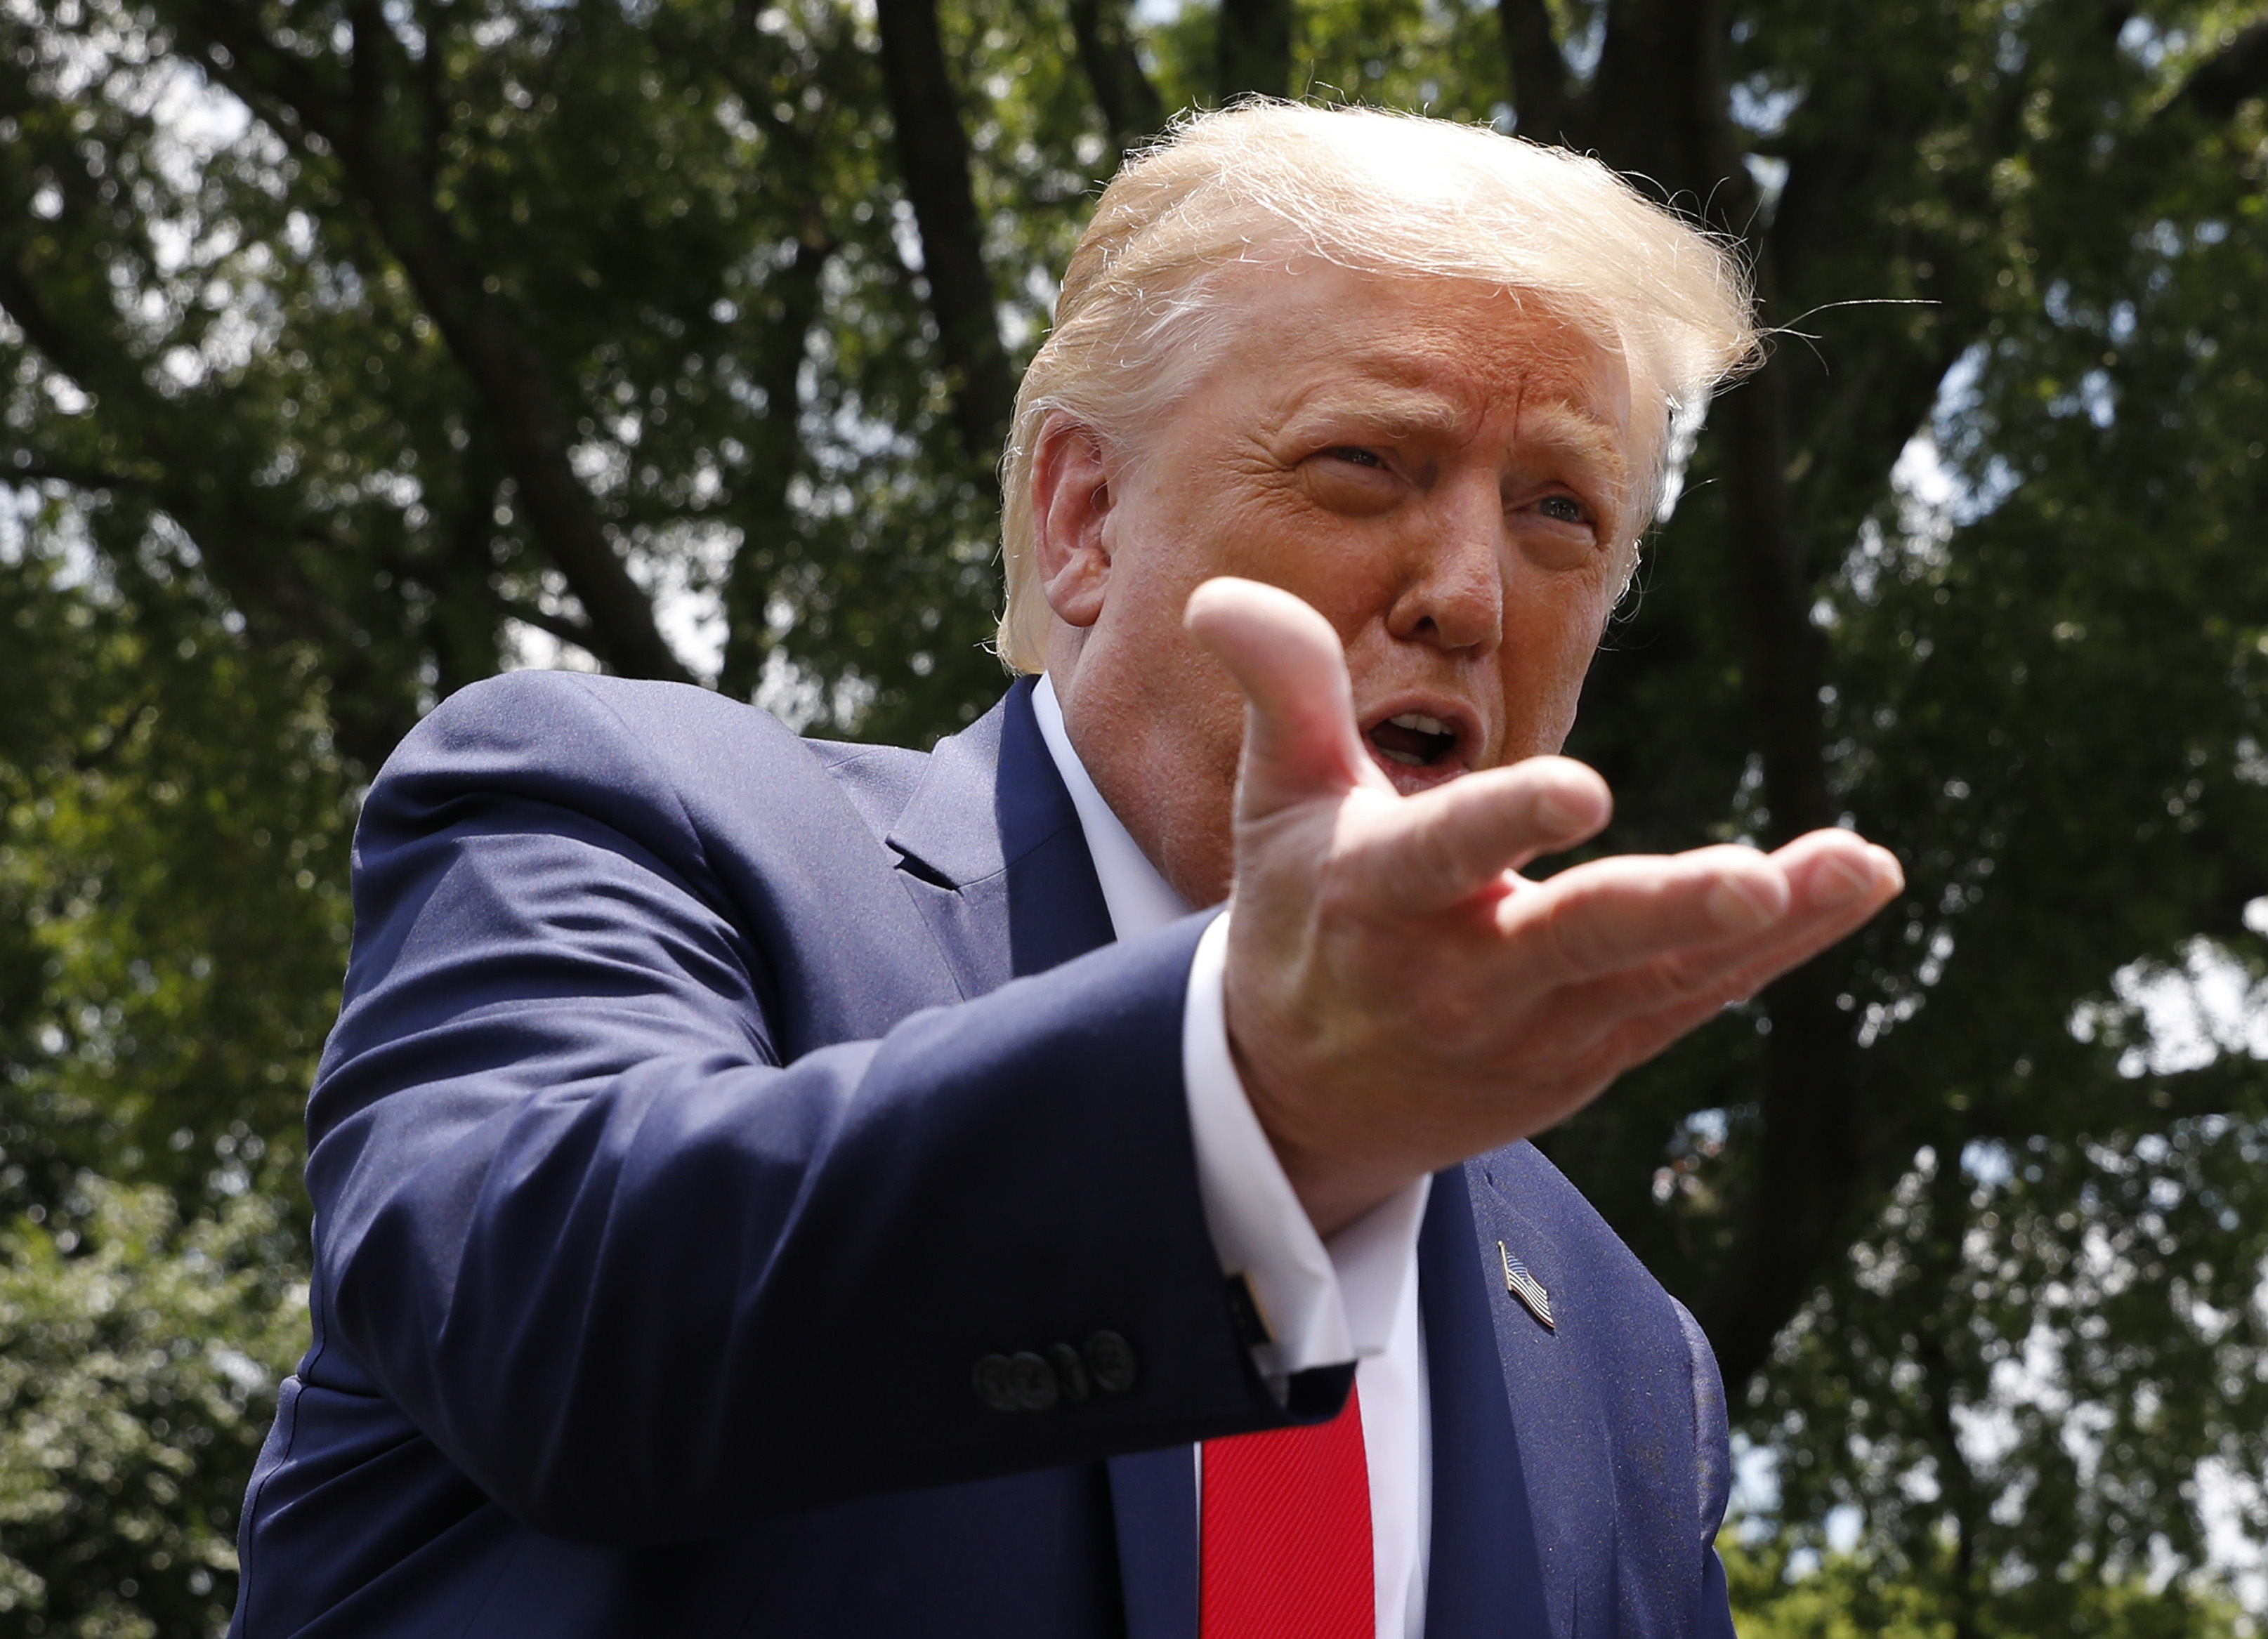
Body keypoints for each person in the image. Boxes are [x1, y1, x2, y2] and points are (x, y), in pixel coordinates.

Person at [231, 101, 1901, 1639]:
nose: (1470, 592)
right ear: (1085, 516)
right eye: (1366, 464)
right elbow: (567, 1327)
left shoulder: (1629, 1364)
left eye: (1561, 514)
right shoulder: (625, 817)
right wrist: (1249, 1113)